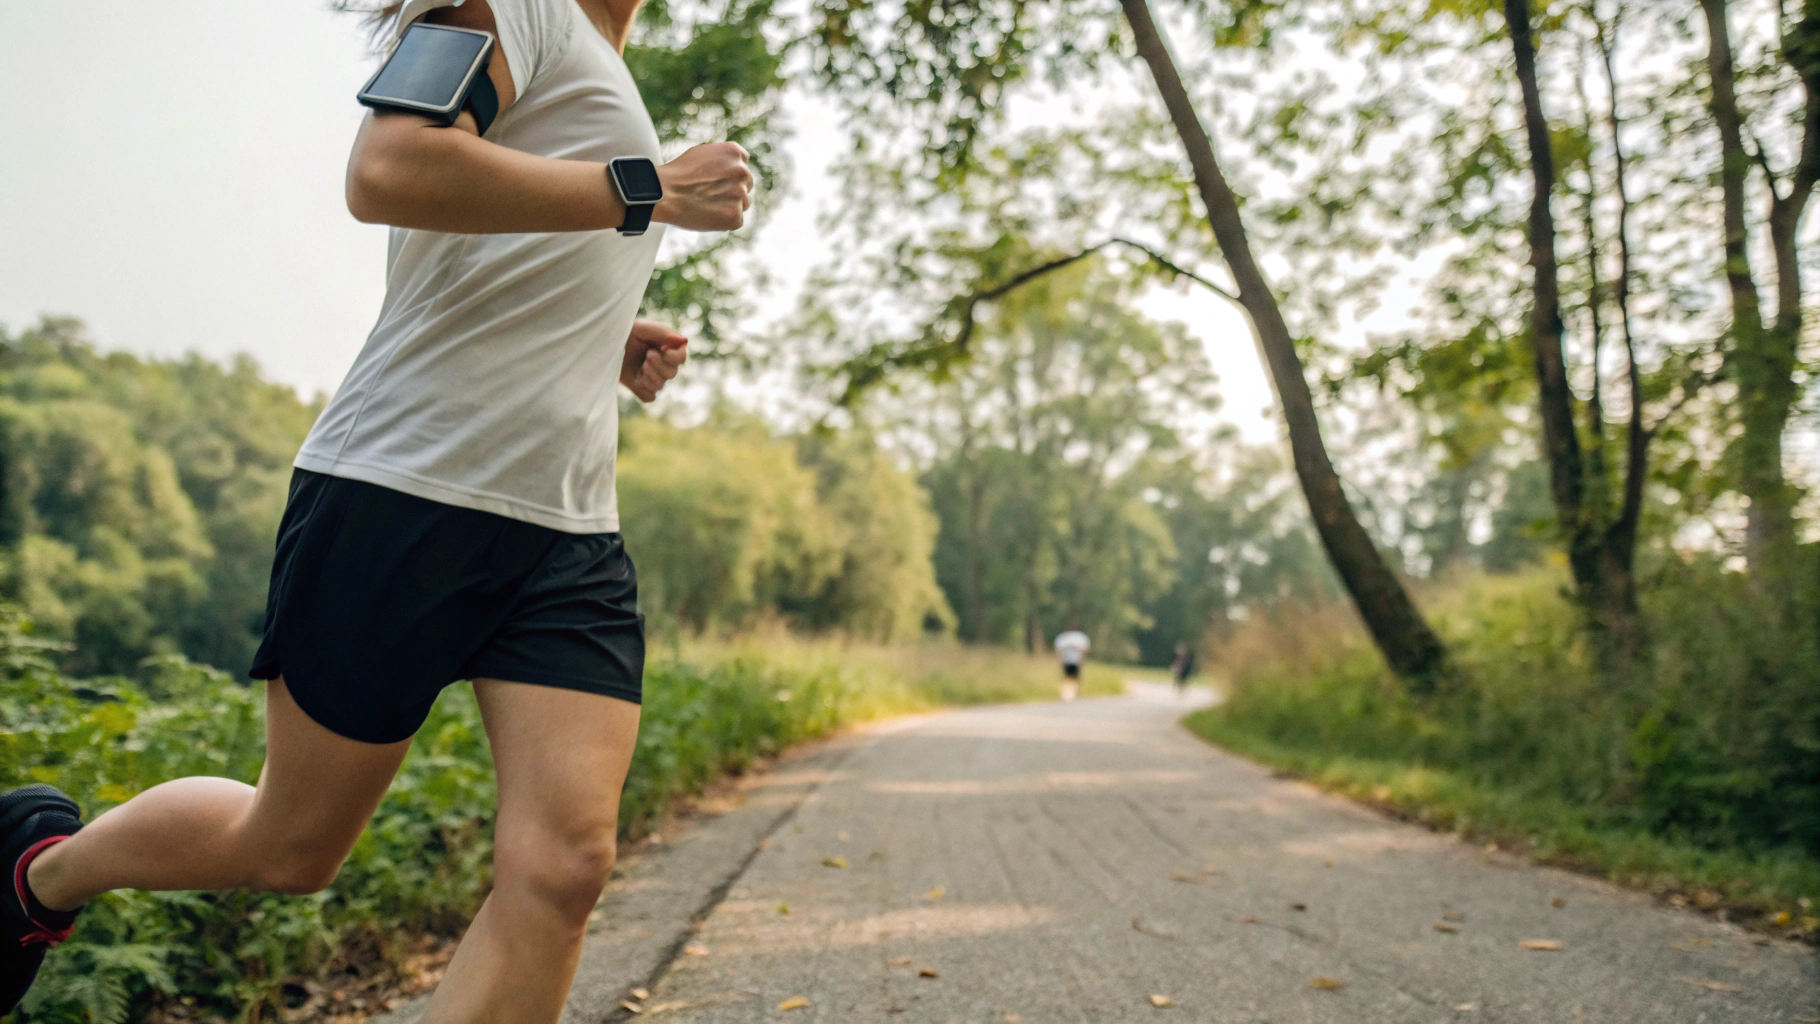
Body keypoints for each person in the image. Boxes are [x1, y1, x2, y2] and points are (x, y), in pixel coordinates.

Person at [1, 0, 754, 1019]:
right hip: (405, 489)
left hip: (569, 527)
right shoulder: (513, 5)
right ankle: (38, 874)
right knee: (289, 846)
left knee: (565, 868)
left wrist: (598, 327)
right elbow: (391, 169)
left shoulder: (601, 62)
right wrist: (647, 188)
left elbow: (487, 243)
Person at [1053, 624, 1091, 702]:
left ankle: (1071, 693)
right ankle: (1068, 693)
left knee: (1073, 677)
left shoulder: (1066, 638)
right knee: (1068, 677)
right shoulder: (1076, 637)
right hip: (1068, 660)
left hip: (1075, 660)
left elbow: (1086, 649)